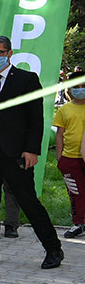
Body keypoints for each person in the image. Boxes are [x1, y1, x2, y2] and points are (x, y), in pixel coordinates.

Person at [0, 36, 63, 269]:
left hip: (16, 152)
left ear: (9, 53)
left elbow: (35, 119)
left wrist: (31, 150)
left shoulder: (27, 79)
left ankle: (53, 249)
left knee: (27, 201)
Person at [54, 70, 85, 239]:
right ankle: (78, 223)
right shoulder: (64, 110)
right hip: (70, 159)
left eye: (83, 86)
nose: (80, 90)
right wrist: (60, 158)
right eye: (76, 87)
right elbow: (59, 135)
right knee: (75, 192)